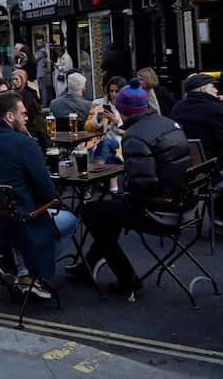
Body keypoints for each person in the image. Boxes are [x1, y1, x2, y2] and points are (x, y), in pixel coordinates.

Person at [66, 79, 192, 291]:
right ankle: (89, 265)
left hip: (159, 209)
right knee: (109, 214)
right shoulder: (167, 123)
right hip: (185, 203)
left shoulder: (135, 136)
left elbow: (143, 187)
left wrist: (124, 196)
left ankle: (127, 279)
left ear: (122, 109)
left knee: (90, 212)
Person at [0, 91, 77, 299]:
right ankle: (29, 274)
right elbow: (49, 193)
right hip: (21, 223)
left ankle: (24, 273)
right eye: (23, 113)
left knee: (22, 215)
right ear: (9, 116)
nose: (27, 117)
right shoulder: (25, 144)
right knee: (70, 221)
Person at [169, 73, 223, 164]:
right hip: (210, 162)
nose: (216, 90)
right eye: (213, 87)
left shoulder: (177, 107)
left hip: (182, 159)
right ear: (203, 89)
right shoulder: (216, 108)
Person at [9, 68, 50, 149]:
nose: (14, 82)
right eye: (13, 79)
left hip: (31, 124)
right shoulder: (12, 92)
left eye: (16, 79)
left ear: (22, 79)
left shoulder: (27, 93)